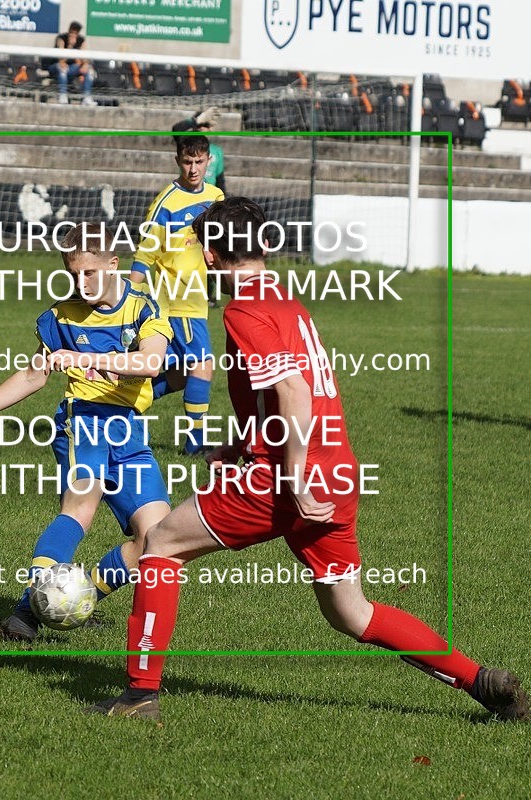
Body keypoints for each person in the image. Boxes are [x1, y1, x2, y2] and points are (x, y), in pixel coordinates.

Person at [86, 197, 529, 723]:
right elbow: (288, 394)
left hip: (286, 480)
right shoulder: (285, 301)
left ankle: (139, 696)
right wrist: (243, 443)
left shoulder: (243, 309)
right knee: (351, 612)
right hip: (336, 473)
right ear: (262, 246)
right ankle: (482, 682)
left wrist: (293, 478)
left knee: (161, 543)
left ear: (209, 255)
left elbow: (294, 391)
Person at [0, 224, 172, 642]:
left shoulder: (143, 309)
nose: (81, 284)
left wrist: (84, 358)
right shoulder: (61, 316)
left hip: (129, 430)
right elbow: (33, 376)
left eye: (89, 273)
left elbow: (151, 363)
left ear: (113, 265)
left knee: (157, 537)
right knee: (81, 509)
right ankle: (26, 612)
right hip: (83, 422)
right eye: (73, 274)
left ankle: (78, 596)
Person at [129, 135, 224, 456]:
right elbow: (145, 254)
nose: (193, 168)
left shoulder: (216, 197)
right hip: (175, 299)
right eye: (187, 162)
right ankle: (195, 444)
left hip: (196, 298)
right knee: (202, 365)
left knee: (182, 375)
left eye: (199, 161)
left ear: (209, 160)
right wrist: (129, 298)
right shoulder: (165, 203)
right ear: (177, 161)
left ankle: (126, 404)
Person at [172, 107, 226, 309]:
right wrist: (195, 120)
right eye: (201, 125)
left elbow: (221, 179)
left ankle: (211, 295)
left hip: (210, 204)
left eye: (207, 125)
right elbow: (176, 130)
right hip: (188, 202)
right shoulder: (186, 145)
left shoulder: (217, 152)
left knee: (212, 249)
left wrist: (222, 205)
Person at [53, 21, 95, 106]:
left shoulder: (81, 40)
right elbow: (61, 60)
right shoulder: (61, 38)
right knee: (62, 69)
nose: (73, 35)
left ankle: (86, 97)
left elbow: (84, 56)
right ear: (69, 31)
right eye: (71, 32)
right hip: (57, 66)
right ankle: (63, 95)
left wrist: (85, 64)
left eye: (76, 33)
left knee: (89, 71)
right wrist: (70, 46)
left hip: (72, 67)